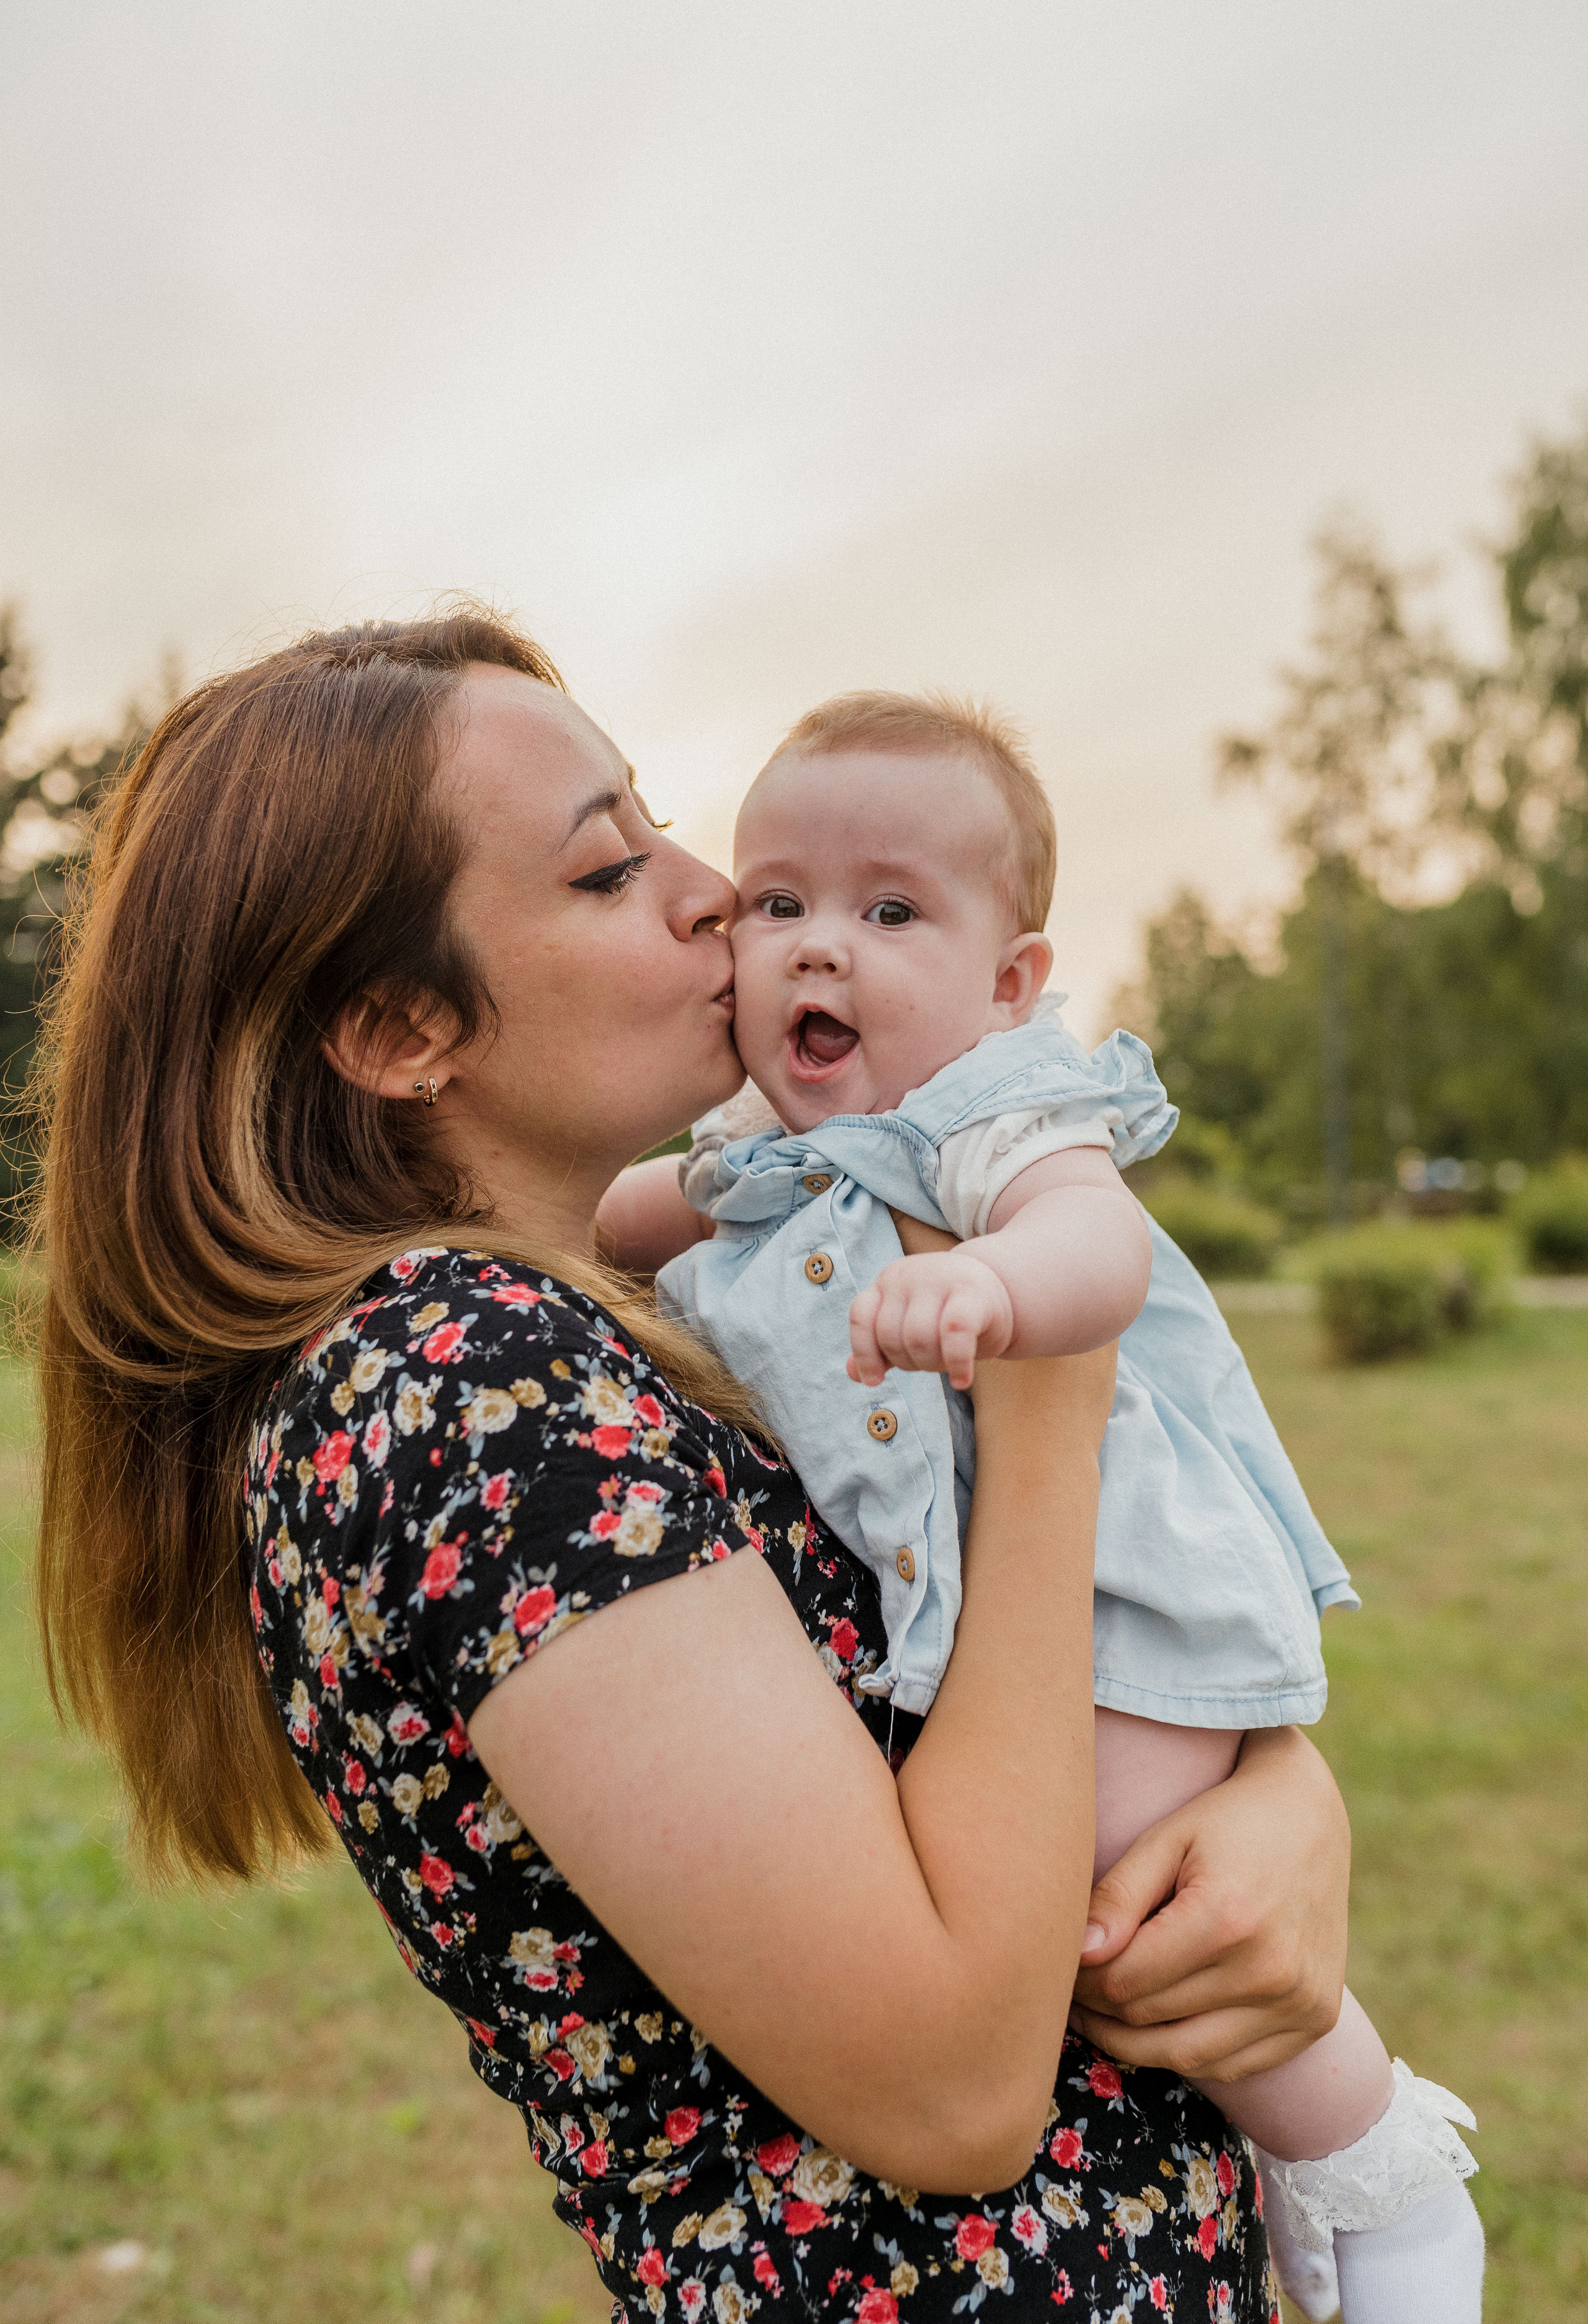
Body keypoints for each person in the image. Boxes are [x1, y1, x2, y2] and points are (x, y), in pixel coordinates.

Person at [38, 610, 1355, 2323]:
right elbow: (955, 2085)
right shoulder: (461, 1388)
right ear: (394, 1028)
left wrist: (1274, 1804)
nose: (712, 896)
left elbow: (963, 1733)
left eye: (663, 823)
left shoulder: (613, 1330)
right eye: (606, 871)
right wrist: (1052, 1388)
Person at [604, 692, 1484, 2324]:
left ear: (1011, 983)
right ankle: (1305, 2145)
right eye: (778, 901)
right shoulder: (755, 1143)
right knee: (1081, 1914)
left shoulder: (989, 1115)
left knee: (1113, 1906)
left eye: (888, 912)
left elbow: (1106, 1247)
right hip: (987, 1618)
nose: (815, 950)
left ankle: (1381, 2164)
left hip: (1111, 1615)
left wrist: (1000, 1290)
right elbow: (627, 1216)